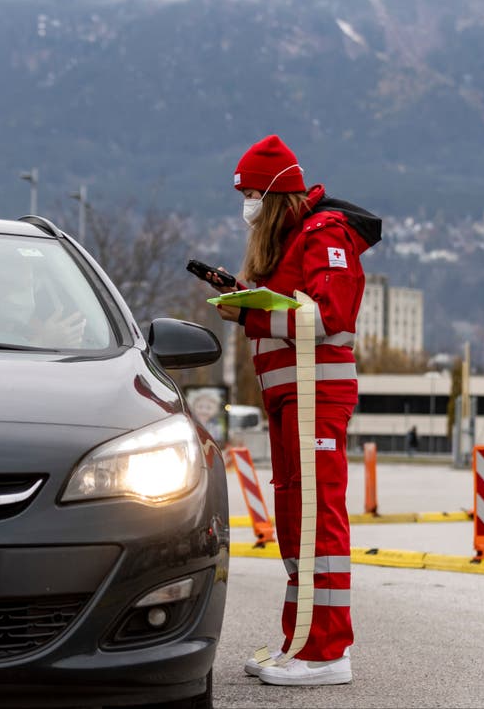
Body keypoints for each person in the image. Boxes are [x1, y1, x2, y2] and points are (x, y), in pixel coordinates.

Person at [212, 134, 381, 686]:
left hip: (317, 398)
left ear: (277, 192)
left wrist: (250, 316)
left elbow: (330, 318)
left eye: (254, 193)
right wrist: (244, 296)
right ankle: (300, 639)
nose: (248, 204)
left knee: (317, 518)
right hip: (289, 399)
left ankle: (328, 652)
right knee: (294, 520)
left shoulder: (325, 233)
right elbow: (296, 309)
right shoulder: (288, 240)